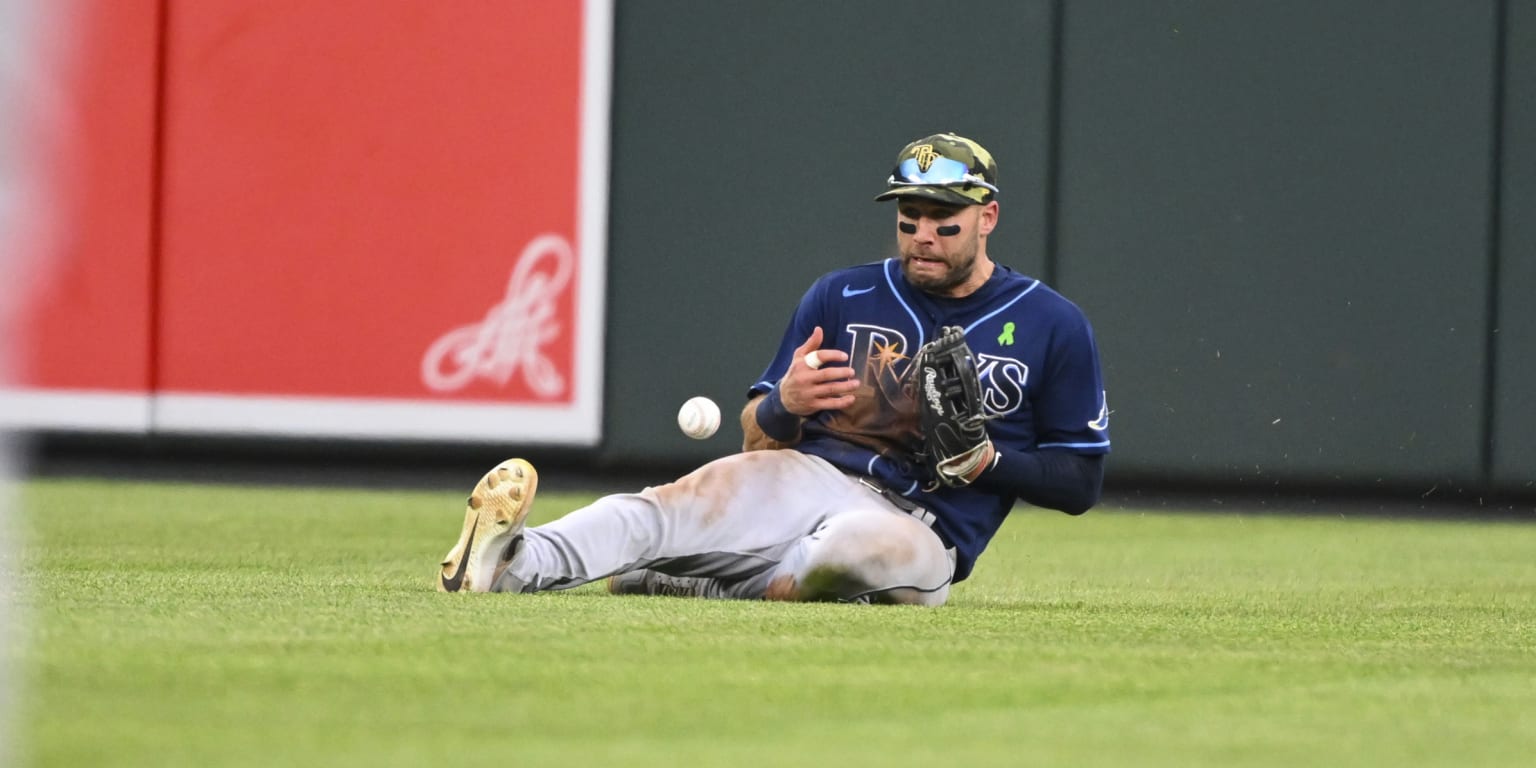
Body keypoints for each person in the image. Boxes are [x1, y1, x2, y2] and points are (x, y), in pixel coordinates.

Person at [437, 133, 1110, 605]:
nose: (923, 236)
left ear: (987, 216)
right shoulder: (843, 295)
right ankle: (512, 564)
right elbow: (757, 437)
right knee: (660, 511)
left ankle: (686, 579)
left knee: (840, 556)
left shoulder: (1053, 324)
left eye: (944, 221)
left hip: (924, 525)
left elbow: (1080, 482)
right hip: (808, 473)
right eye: (910, 220)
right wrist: (786, 402)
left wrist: (990, 464)